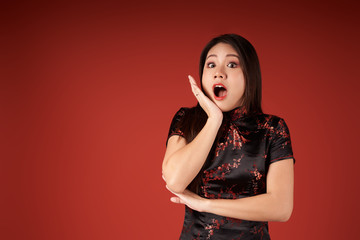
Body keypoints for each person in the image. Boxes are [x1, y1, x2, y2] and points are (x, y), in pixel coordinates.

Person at [162, 33, 295, 239]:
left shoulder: (272, 128)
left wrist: (206, 204)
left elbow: (281, 207)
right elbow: (174, 181)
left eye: (232, 65)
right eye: (211, 64)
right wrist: (214, 120)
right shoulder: (185, 118)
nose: (219, 73)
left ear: (249, 74)